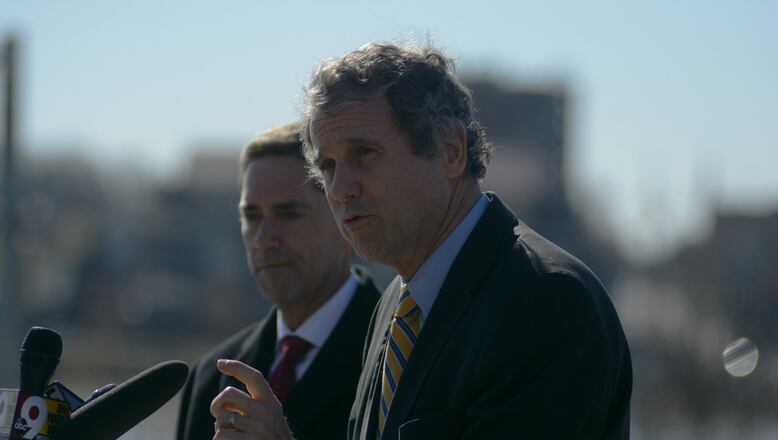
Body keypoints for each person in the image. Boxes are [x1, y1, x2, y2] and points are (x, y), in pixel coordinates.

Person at [210, 43, 632, 440]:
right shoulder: (394, 307)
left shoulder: (545, 299)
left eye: (364, 154)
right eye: (328, 164)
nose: (339, 188)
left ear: (451, 151)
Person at [176, 122, 380, 440]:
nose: (264, 239)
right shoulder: (208, 379)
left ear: (345, 220)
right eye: (252, 216)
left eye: (289, 214)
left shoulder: (400, 356)